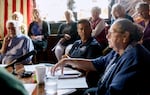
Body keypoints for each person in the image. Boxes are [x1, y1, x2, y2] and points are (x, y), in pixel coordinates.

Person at [51, 18, 150, 95]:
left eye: (111, 33)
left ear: (125, 37)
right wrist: (68, 61)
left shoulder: (134, 58)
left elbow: (115, 92)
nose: (107, 36)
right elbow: (95, 63)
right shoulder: (118, 51)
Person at [62, 19, 103, 87]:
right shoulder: (76, 43)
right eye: (81, 29)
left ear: (91, 29)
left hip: (82, 78)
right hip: (69, 73)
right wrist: (65, 58)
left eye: (86, 28)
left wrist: (70, 61)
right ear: (78, 31)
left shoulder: (94, 46)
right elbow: (67, 56)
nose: (83, 31)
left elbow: (90, 68)